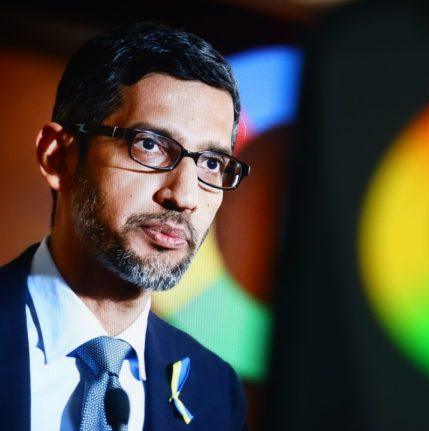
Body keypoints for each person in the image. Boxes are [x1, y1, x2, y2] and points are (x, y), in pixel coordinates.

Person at [0, 22, 250, 431]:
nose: (185, 196)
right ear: (57, 156)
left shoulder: (214, 390)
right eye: (150, 145)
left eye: (211, 163)